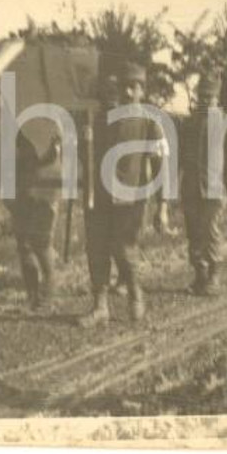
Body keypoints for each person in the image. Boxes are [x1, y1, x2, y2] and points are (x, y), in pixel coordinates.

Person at [78, 62, 167, 326]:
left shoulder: (151, 121)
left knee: (124, 249)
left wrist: (162, 206)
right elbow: (88, 158)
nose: (128, 93)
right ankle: (100, 306)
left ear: (142, 90)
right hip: (100, 197)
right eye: (124, 87)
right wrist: (83, 139)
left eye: (134, 87)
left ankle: (136, 292)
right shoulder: (101, 119)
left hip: (132, 199)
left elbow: (162, 165)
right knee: (96, 249)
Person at [178, 71, 227, 296]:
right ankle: (200, 275)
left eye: (210, 97)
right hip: (191, 187)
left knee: (210, 231)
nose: (206, 101)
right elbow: (180, 154)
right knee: (194, 233)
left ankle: (214, 276)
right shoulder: (190, 122)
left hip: (215, 189)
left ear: (218, 97)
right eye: (202, 96)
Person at [0, 130, 63, 312]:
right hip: (20, 190)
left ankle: (47, 298)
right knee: (24, 245)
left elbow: (65, 151)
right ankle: (33, 298)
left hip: (45, 189)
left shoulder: (49, 119)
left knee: (41, 244)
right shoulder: (10, 126)